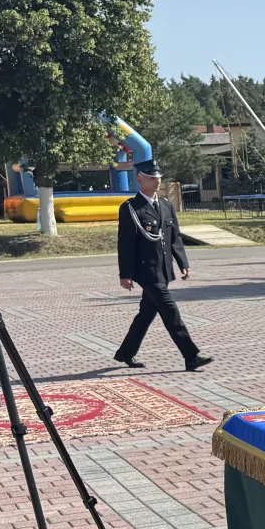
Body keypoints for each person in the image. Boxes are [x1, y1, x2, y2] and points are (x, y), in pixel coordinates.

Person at [113, 159, 211, 372]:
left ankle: (126, 352)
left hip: (163, 269)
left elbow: (174, 237)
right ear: (140, 178)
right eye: (151, 177)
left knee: (146, 314)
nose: (157, 181)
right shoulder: (131, 208)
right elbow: (126, 244)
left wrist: (182, 262)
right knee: (170, 312)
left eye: (158, 177)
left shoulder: (165, 205)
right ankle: (191, 355)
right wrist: (126, 274)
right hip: (145, 270)